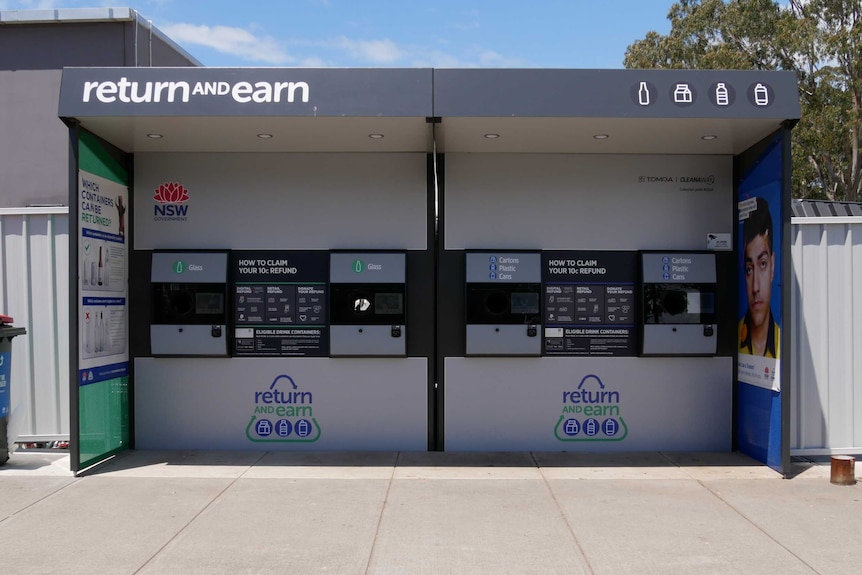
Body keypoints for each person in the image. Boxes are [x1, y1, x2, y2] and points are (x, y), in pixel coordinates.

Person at [738, 197, 780, 358]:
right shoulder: (732, 338)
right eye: (749, 269)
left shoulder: (781, 346)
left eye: (762, 264)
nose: (755, 287)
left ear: (772, 266)